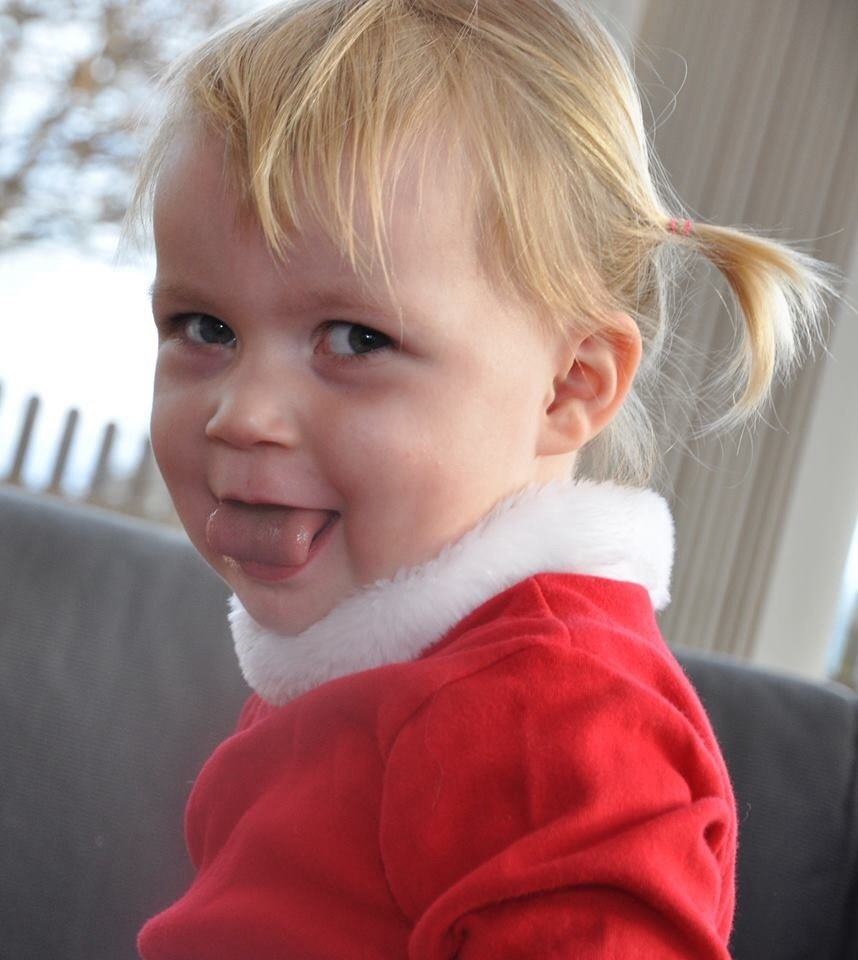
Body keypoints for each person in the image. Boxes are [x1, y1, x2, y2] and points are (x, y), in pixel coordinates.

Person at [130, 1, 829, 956]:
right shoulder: (388, 668)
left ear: (568, 386)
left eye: (356, 339)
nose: (241, 413)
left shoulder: (554, 717)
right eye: (205, 328)